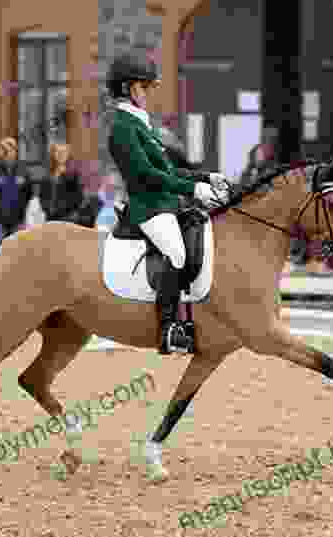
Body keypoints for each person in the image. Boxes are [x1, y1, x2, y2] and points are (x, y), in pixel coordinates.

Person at [106, 50, 229, 354]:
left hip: (165, 202)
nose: (148, 93)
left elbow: (169, 170)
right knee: (176, 252)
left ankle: (190, 318)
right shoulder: (122, 127)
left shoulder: (141, 124)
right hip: (148, 207)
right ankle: (168, 329)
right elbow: (146, 175)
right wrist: (193, 190)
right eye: (144, 87)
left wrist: (205, 177)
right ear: (129, 89)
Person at [0, 137, 32, 242]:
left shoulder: (23, 172)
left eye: (11, 149)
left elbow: (29, 195)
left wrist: (25, 214)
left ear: (16, 151)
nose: (7, 152)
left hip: (18, 221)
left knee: (18, 251)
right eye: (3, 149)